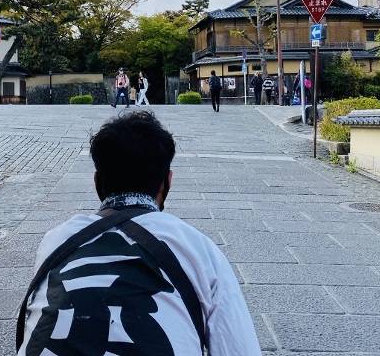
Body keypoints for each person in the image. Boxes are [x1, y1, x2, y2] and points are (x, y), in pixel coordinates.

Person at [16, 112, 261, 356]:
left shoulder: (56, 240)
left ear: (97, 181)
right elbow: (238, 348)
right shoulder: (199, 249)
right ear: (167, 181)